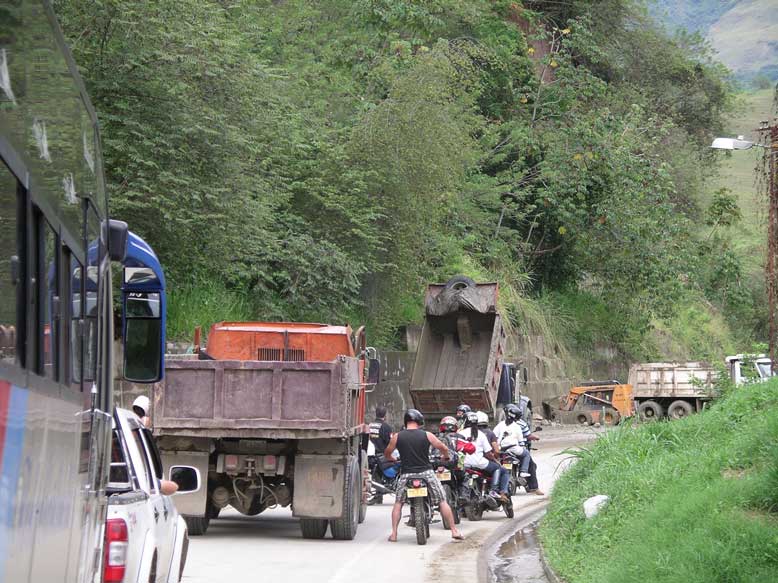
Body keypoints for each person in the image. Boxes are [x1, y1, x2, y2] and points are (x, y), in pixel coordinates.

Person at [385, 409, 464, 542]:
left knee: (398, 503)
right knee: (442, 501)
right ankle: (454, 530)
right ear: (419, 421)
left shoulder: (397, 436)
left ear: (406, 421)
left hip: (406, 474)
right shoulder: (427, 435)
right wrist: (445, 457)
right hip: (426, 473)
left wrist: (392, 459)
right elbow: (443, 447)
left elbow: (387, 453)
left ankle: (394, 534)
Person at [131, 395, 178, 495]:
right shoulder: (139, 423)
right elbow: (173, 487)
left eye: (138, 410)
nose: (137, 413)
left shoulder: (138, 422)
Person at [461, 412, 509, 501]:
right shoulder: (481, 434)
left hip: (464, 464)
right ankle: (493, 490)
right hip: (479, 463)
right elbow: (488, 453)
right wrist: (496, 461)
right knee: (498, 468)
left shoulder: (460, 433)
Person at [493, 404, 532, 478]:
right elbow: (521, 442)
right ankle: (523, 471)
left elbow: (494, 436)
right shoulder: (517, 427)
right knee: (526, 454)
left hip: (501, 449)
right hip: (513, 449)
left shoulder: (500, 425)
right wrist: (523, 447)